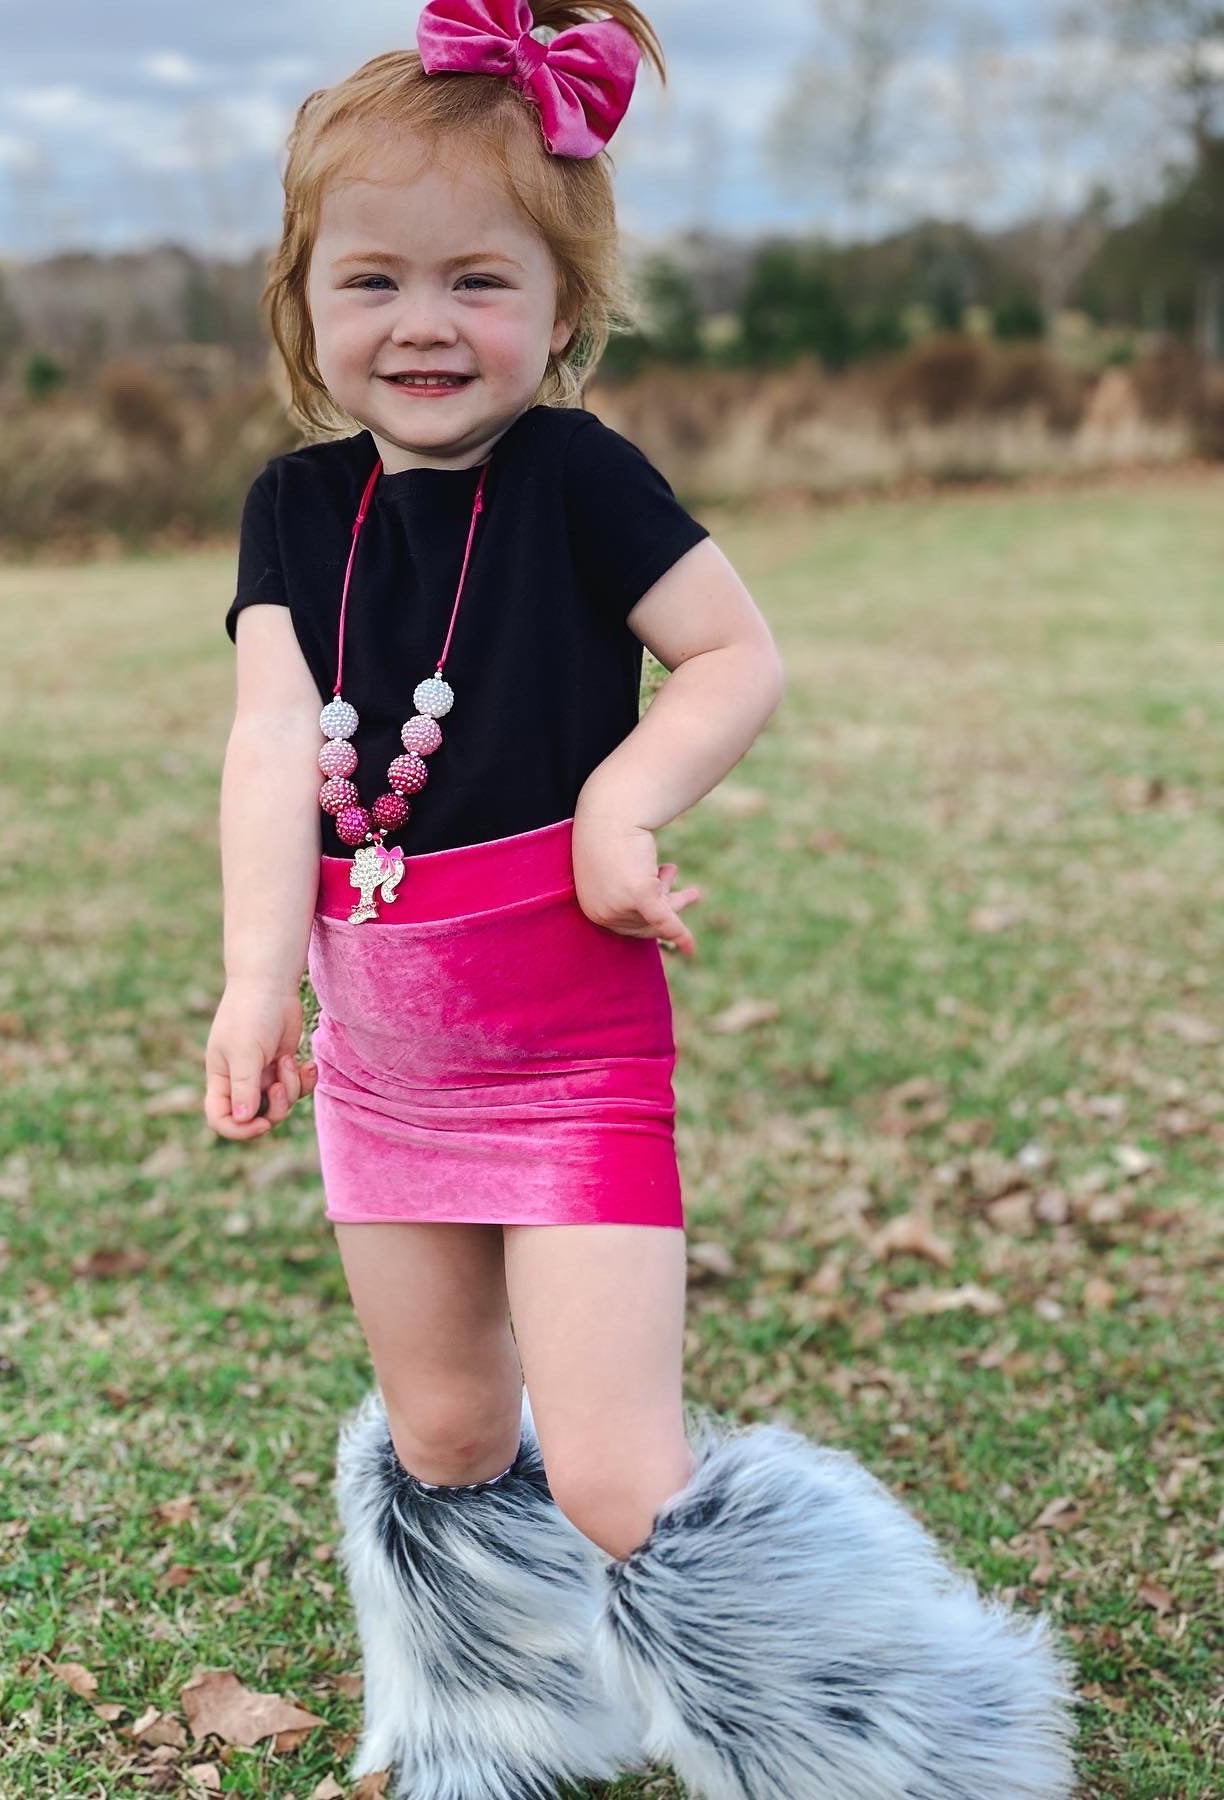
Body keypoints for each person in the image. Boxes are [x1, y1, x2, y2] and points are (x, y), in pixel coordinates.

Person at [205, 2, 1078, 1795]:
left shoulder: (579, 480)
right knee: (446, 1433)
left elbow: (733, 659)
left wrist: (623, 799)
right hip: (384, 1067)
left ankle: (903, 1743)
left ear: (563, 307)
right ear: (303, 306)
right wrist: (252, 980)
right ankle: (504, 1721)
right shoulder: (294, 511)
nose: (425, 324)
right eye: (371, 281)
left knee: (610, 1468)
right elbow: (267, 738)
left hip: (564, 1053)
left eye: (478, 280)